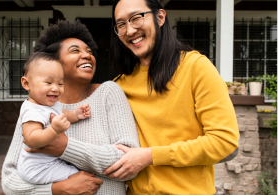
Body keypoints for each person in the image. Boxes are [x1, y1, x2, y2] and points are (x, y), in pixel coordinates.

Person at [103, 0, 240, 194]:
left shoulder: (196, 67)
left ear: (160, 17)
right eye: (121, 24)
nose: (130, 30)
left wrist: (150, 156)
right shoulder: (119, 86)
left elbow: (224, 142)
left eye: (136, 18)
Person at [1, 20, 140, 195]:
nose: (88, 55)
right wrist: (56, 189)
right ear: (53, 62)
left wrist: (65, 147)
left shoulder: (108, 93)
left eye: (89, 52)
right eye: (75, 50)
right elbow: (9, 179)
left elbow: (130, 164)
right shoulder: (36, 106)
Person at [16, 52, 91, 184]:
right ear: (26, 84)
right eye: (48, 82)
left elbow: (64, 115)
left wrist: (75, 114)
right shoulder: (31, 110)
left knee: (77, 170)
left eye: (60, 84)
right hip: (37, 168)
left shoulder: (50, 105)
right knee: (78, 176)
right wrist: (54, 129)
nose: (55, 88)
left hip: (49, 163)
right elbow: (31, 140)